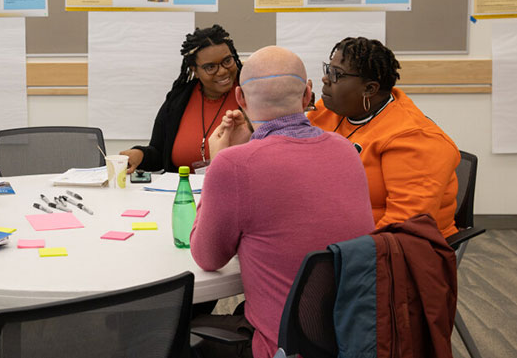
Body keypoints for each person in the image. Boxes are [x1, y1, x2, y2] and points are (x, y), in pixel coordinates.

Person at [190, 46, 375, 358]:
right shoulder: (345, 149)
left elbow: (208, 257)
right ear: (307, 96)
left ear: (240, 99)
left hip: (280, 347)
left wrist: (219, 160)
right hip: (352, 337)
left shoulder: (234, 165)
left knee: (177, 335)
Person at [307, 37, 460, 238]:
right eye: (328, 70)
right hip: (336, 229)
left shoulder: (415, 139)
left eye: (337, 74)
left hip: (396, 251)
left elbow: (403, 227)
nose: (326, 79)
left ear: (369, 89)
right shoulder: (327, 111)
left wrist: (338, 250)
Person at [120, 24, 245, 173]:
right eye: (210, 67)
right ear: (195, 71)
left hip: (235, 189)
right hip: (181, 192)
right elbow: (159, 153)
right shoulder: (178, 99)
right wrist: (139, 155)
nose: (223, 71)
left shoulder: (252, 95)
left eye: (227, 61)